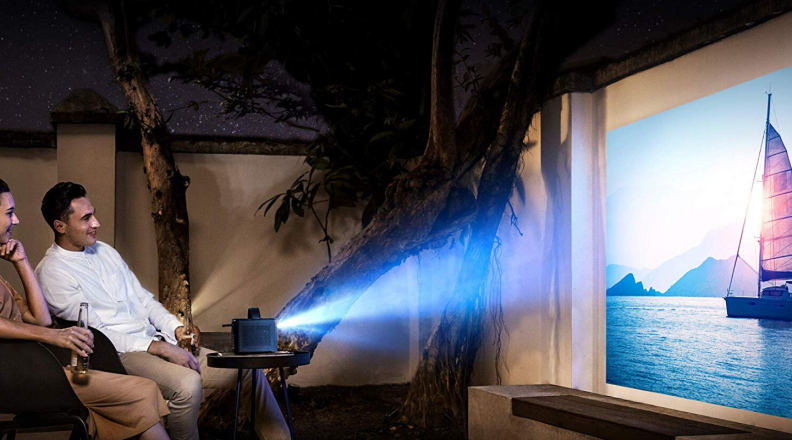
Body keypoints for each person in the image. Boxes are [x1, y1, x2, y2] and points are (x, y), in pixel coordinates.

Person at [36, 182, 290, 440]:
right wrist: (155, 347)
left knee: (248, 369)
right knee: (187, 385)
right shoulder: (52, 272)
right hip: (119, 356)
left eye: (94, 214)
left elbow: (145, 301)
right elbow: (98, 335)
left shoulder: (106, 252)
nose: (96, 223)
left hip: (157, 341)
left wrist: (174, 328)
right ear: (60, 226)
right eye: (86, 218)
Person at [0, 179, 170, 440]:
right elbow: (47, 330)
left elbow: (41, 319)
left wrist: (21, 262)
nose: (17, 220)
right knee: (143, 391)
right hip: (20, 375)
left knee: (143, 391)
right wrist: (55, 336)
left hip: (38, 367)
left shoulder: (2, 281)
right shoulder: (53, 268)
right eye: (9, 213)